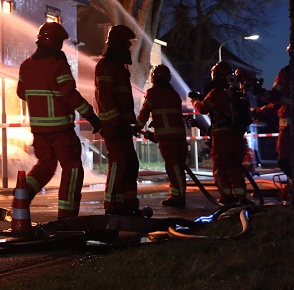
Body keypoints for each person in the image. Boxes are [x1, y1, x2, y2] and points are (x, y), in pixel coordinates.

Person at [16, 21, 101, 220]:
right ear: (53, 43)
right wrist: (90, 115)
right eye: (60, 42)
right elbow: (70, 94)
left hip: (39, 131)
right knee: (72, 168)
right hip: (61, 130)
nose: (62, 46)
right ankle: (67, 216)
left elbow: (21, 93)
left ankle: (23, 193)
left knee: (45, 165)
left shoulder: (26, 65)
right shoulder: (58, 64)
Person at [95, 24, 141, 215]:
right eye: (126, 44)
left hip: (121, 125)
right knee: (118, 163)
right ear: (117, 44)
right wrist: (115, 123)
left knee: (131, 162)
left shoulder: (118, 67)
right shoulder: (106, 66)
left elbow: (122, 98)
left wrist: (131, 124)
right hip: (112, 126)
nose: (129, 48)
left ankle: (128, 203)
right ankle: (112, 204)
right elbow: (105, 97)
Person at [190, 61, 248, 206]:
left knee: (220, 167)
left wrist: (195, 100)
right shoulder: (236, 93)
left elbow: (203, 108)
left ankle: (226, 197)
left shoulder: (216, 93)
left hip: (222, 137)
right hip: (236, 135)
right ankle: (241, 197)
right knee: (235, 166)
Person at [136, 64, 189, 208]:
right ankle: (177, 195)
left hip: (167, 137)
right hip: (179, 135)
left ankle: (178, 197)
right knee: (178, 166)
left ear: (153, 78)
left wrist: (137, 126)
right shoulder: (174, 94)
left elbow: (144, 114)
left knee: (174, 167)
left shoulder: (152, 93)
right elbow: (168, 114)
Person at [254, 55, 293, 180]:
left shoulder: (286, 72)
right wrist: (259, 111)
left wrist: (259, 93)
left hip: (288, 131)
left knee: (286, 159)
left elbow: (275, 98)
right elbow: (277, 102)